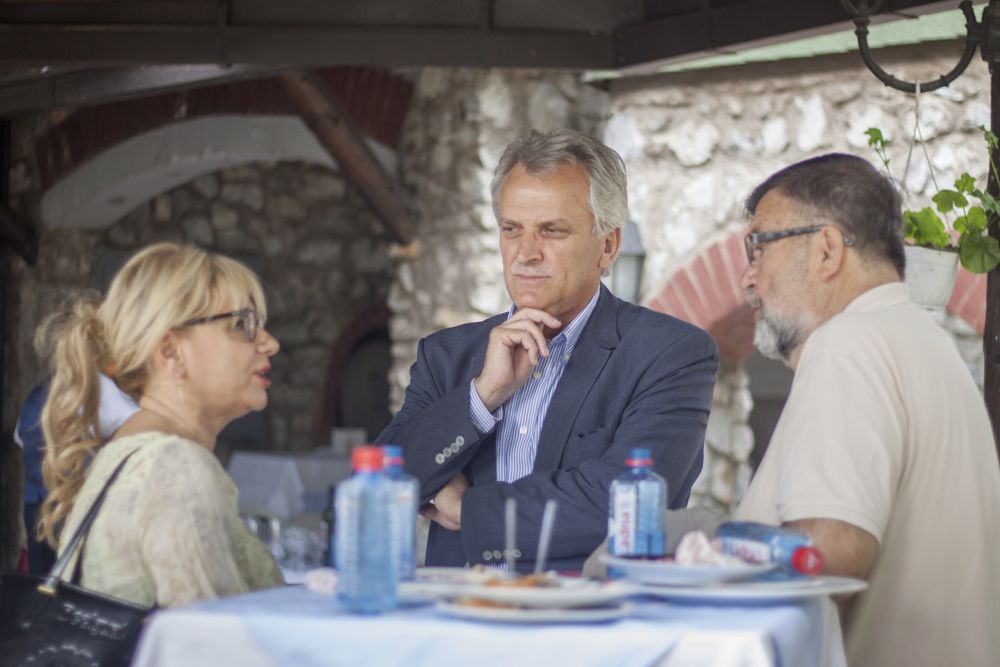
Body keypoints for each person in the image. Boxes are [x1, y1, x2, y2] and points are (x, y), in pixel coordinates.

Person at [377, 129, 719, 572]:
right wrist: (482, 397)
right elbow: (381, 484)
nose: (526, 253)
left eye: (551, 231)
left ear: (608, 246)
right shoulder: (447, 356)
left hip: (591, 612)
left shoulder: (670, 354)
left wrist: (468, 511)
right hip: (459, 611)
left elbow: (625, 505)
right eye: (511, 230)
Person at [734, 154, 1000, 666]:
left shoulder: (848, 344)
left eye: (759, 248)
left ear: (827, 250)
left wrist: (711, 558)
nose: (748, 278)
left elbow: (831, 553)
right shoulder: (922, 340)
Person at [36, 242, 284, 608]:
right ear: (170, 353)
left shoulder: (138, 455)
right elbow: (212, 635)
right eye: (241, 324)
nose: (270, 343)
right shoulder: (173, 466)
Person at [15, 374, 138, 575]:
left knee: (43, 585)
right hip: (77, 507)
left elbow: (20, 438)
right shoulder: (97, 386)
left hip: (36, 506)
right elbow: (141, 426)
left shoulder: (36, 395)